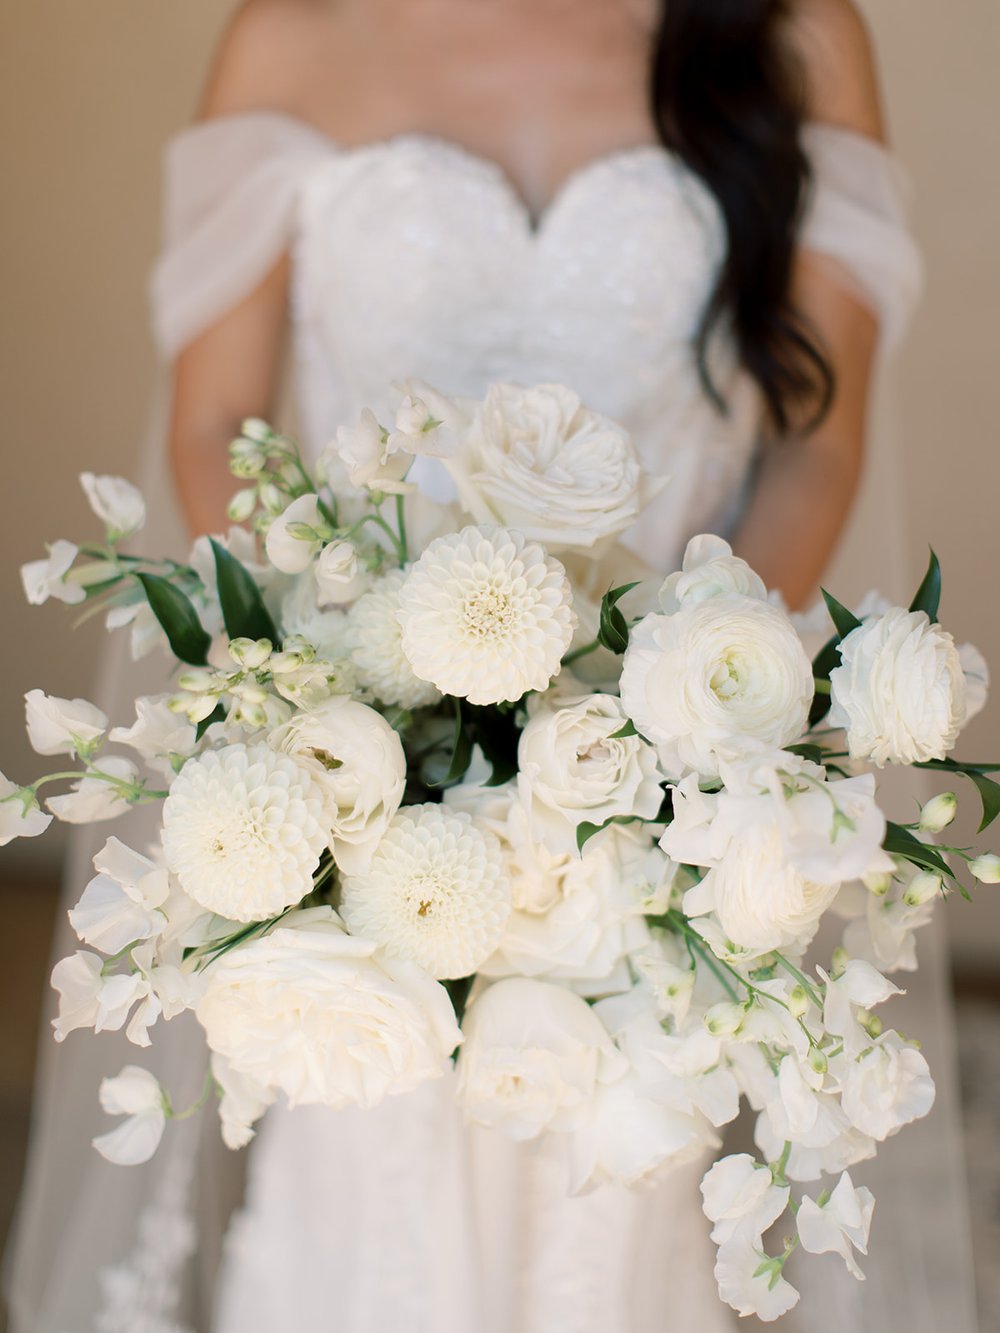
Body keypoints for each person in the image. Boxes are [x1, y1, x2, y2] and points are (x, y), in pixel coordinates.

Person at [7, 1, 974, 1330]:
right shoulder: (290, 37)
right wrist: (350, 709)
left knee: (615, 1201)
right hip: (368, 772)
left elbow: (816, 438)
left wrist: (677, 724)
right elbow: (216, 417)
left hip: (651, 793)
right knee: (362, 1159)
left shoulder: (795, 31)